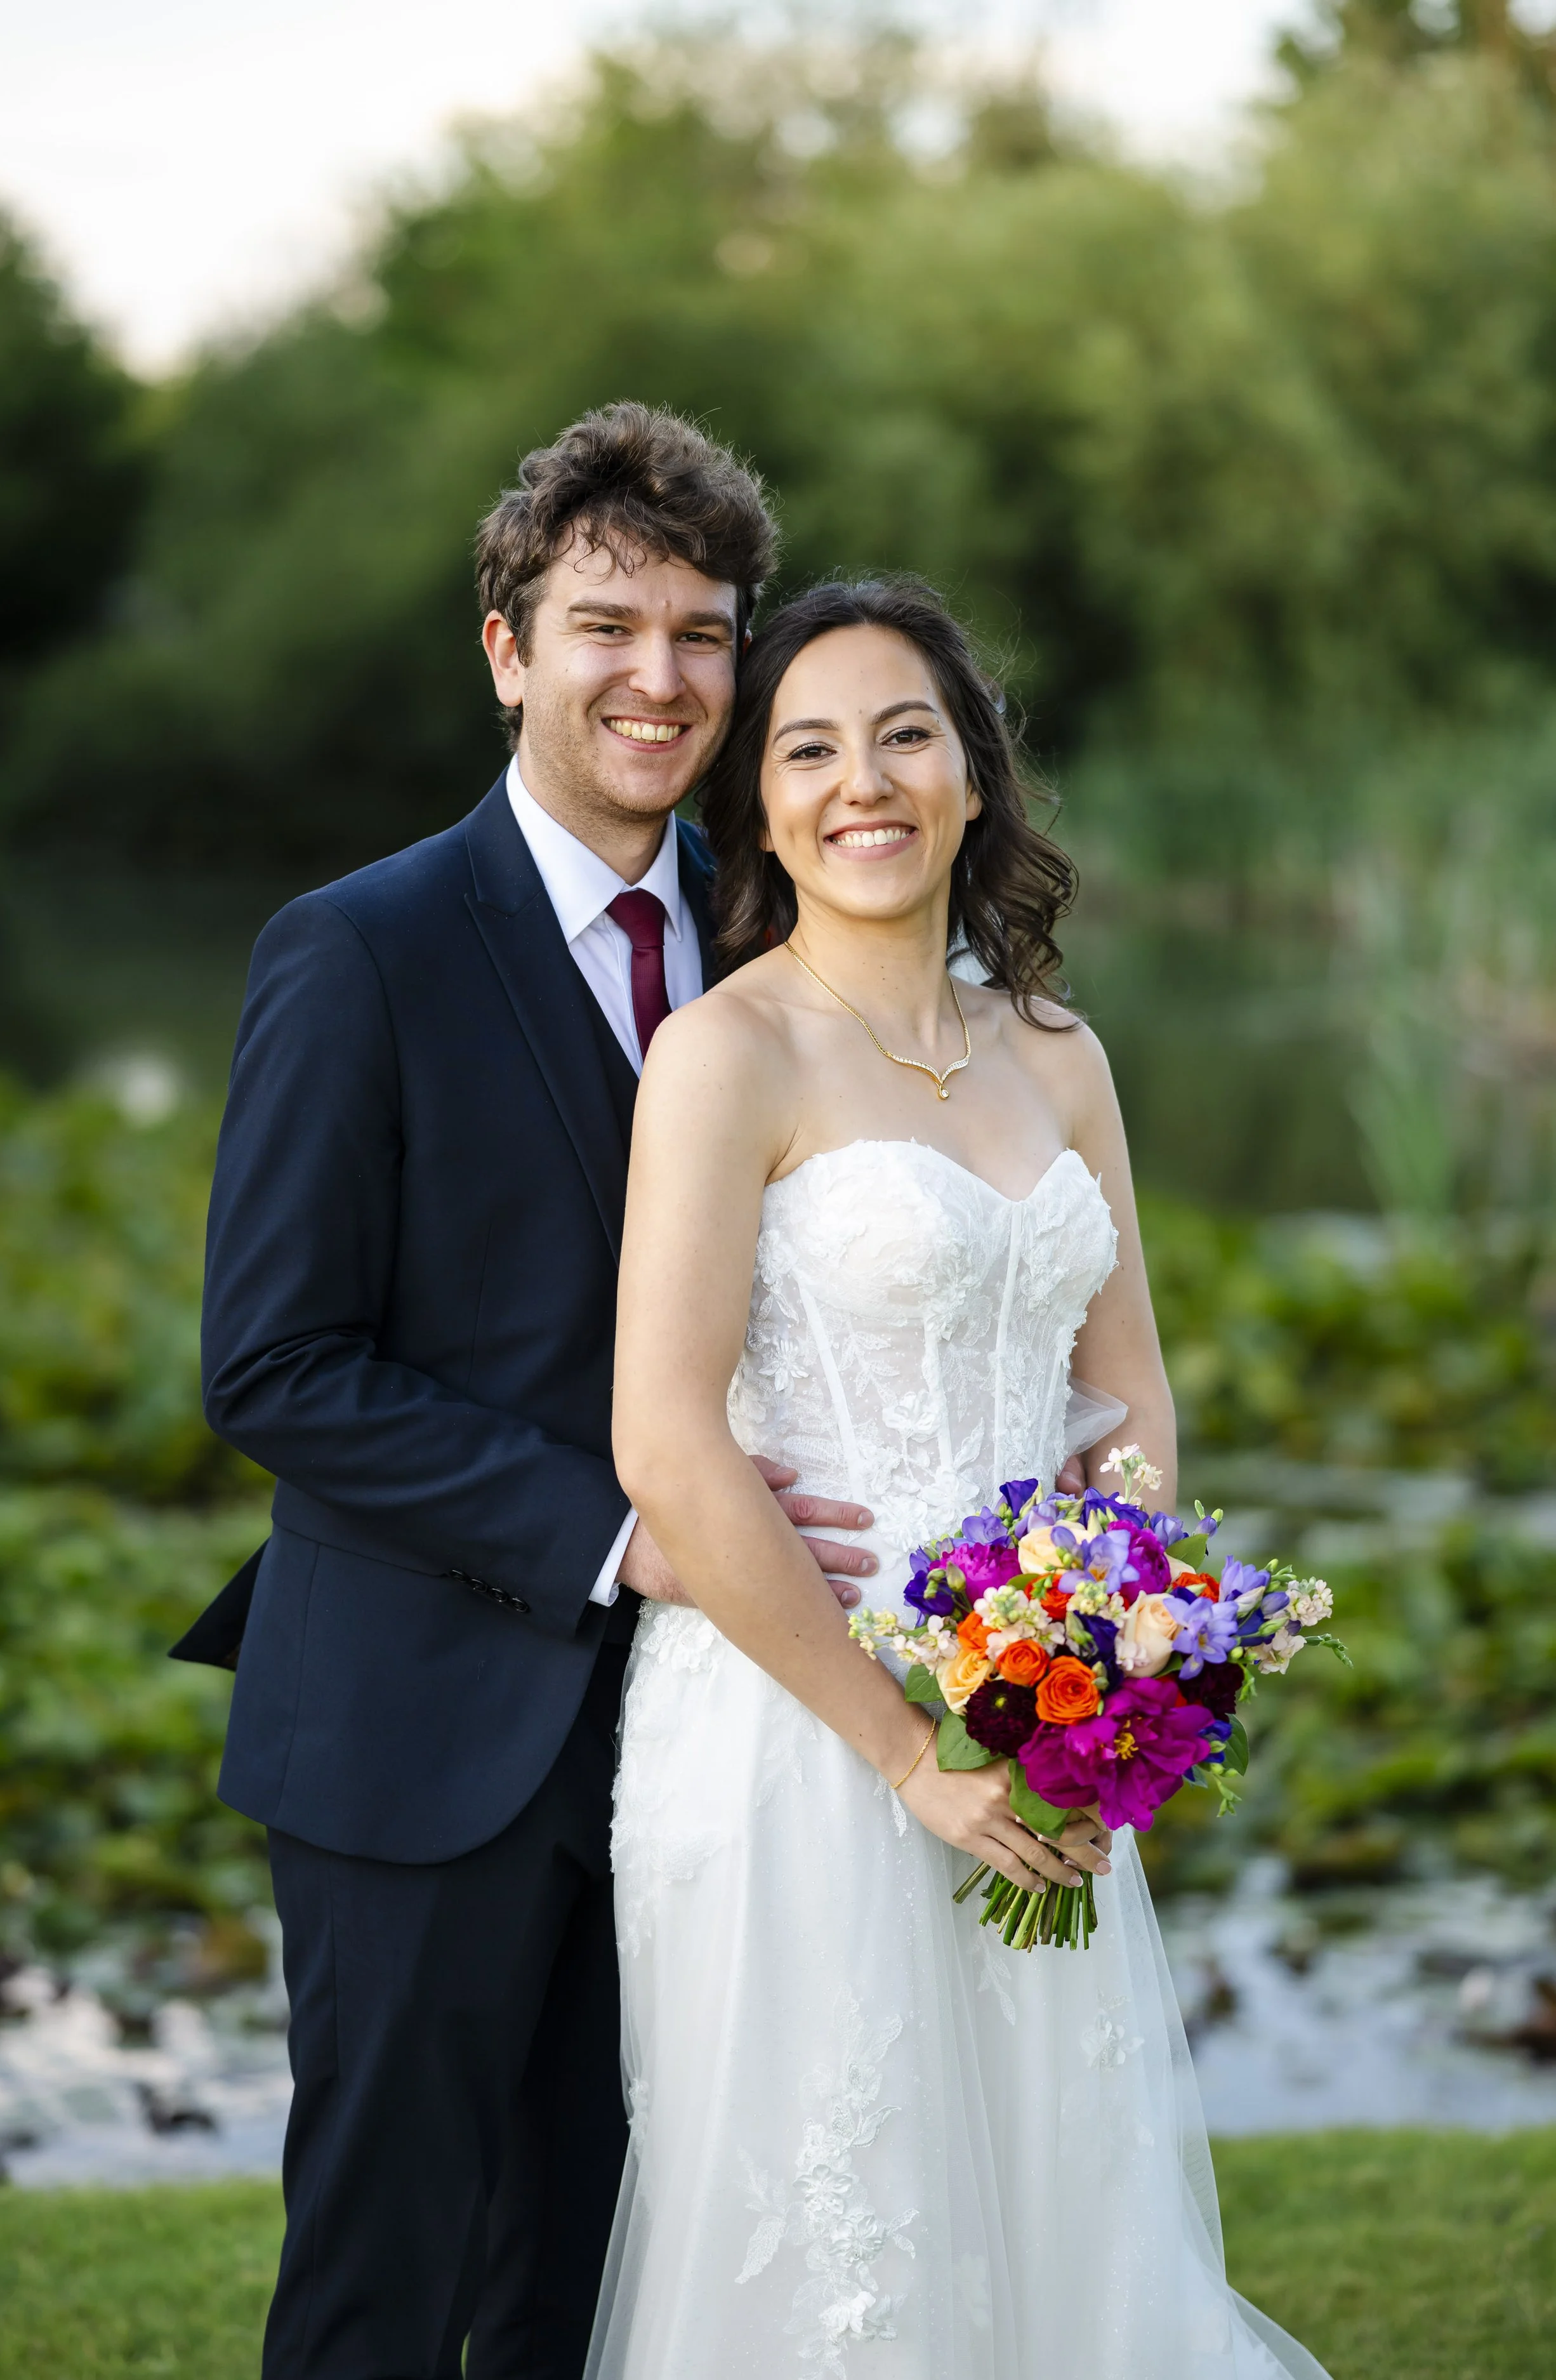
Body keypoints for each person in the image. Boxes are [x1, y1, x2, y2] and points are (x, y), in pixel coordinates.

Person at [176, 405, 876, 2380]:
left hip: (693, 1744)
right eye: (606, 623)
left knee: (590, 2278)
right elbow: (277, 1362)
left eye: (703, 632)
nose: (659, 676)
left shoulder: (772, 937)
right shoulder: (361, 947)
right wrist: (622, 1526)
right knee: (385, 2287)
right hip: (418, 1732)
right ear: (507, 644)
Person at [600, 578, 1331, 2377]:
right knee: (844, 2255)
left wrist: (1120, 1671)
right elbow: (665, 1438)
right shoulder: (725, 1056)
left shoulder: (1059, 1055)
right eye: (810, 747)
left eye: (906, 733)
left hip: (1042, 1722)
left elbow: (1124, 1383)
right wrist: (907, 1750)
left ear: (975, 776)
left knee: (1062, 2231)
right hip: (798, 1731)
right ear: (759, 807)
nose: (865, 781)